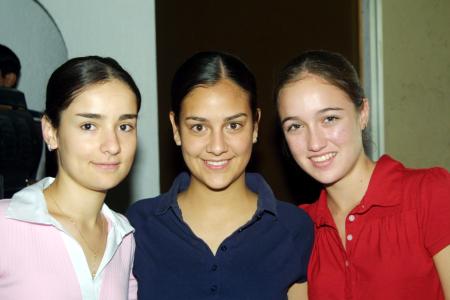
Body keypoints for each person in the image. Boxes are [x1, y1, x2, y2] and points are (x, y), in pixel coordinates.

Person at [128, 51, 314, 300]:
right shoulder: (137, 227)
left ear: (255, 126)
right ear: (176, 128)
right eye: (199, 127)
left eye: (233, 125)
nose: (217, 146)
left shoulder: (294, 228)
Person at [274, 49, 450, 299]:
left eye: (329, 119)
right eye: (295, 126)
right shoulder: (298, 229)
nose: (314, 143)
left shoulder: (429, 194)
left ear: (363, 113)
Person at [0, 56, 140, 300]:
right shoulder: (6, 226)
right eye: (89, 125)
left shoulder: (124, 238)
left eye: (125, 126)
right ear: (51, 131)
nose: (113, 145)